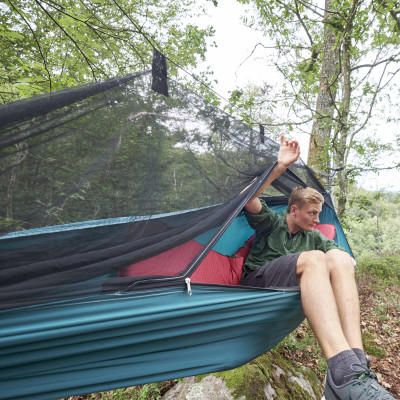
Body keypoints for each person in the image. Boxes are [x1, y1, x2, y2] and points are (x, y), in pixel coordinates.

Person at [242, 135, 396, 400]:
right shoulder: (271, 222)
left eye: (318, 213)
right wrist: (279, 167)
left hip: (288, 284)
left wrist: (343, 261)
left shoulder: (312, 236)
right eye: (312, 213)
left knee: (340, 258)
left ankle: (356, 368)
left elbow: (339, 256)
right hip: (258, 282)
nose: (317, 218)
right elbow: (247, 198)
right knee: (314, 258)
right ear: (294, 210)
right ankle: (343, 373)